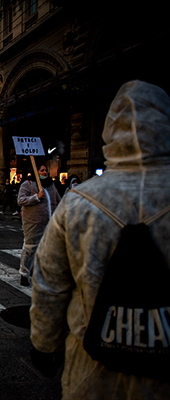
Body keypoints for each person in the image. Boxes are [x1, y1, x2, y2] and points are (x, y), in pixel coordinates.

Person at [30, 81, 170, 399]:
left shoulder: (78, 201)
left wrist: (44, 343)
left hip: (93, 371)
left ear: (110, 131)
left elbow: (50, 282)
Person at [17, 162, 61, 286]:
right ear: (36, 172)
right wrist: (36, 197)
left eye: (45, 170)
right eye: (41, 170)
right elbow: (21, 200)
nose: (44, 172)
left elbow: (58, 200)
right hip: (33, 223)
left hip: (49, 222)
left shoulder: (51, 185)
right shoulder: (28, 184)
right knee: (30, 248)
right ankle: (24, 274)